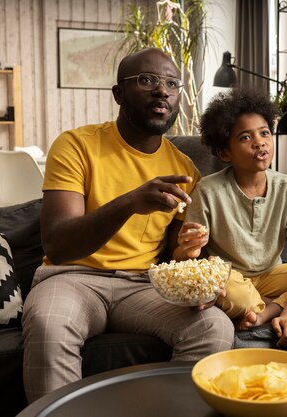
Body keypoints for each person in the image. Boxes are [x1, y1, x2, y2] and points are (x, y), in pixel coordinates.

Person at [22, 47, 234, 403]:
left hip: (143, 285)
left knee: (214, 327)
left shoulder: (185, 169)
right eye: (147, 80)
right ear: (119, 93)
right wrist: (130, 203)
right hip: (72, 277)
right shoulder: (76, 145)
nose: (162, 91)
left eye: (172, 83)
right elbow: (57, 245)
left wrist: (190, 259)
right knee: (48, 325)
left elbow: (173, 253)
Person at [176, 87, 287, 349]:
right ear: (225, 153)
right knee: (233, 292)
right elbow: (187, 260)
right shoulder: (207, 190)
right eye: (245, 137)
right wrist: (188, 249)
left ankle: (266, 311)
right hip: (231, 277)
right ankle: (255, 304)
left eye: (264, 133)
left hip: (273, 273)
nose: (260, 142)